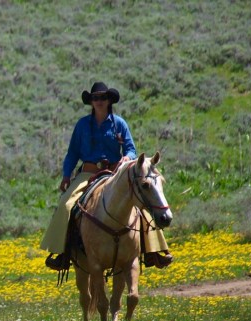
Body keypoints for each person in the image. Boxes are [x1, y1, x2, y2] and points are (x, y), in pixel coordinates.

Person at [41, 81, 173, 270]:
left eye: (103, 97)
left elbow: (131, 149)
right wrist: (66, 176)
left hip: (114, 173)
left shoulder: (119, 123)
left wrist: (126, 157)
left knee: (142, 203)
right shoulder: (82, 125)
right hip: (88, 172)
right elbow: (72, 154)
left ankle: (153, 251)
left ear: (109, 100)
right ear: (91, 102)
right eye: (95, 98)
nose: (99, 101)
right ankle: (63, 253)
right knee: (66, 205)